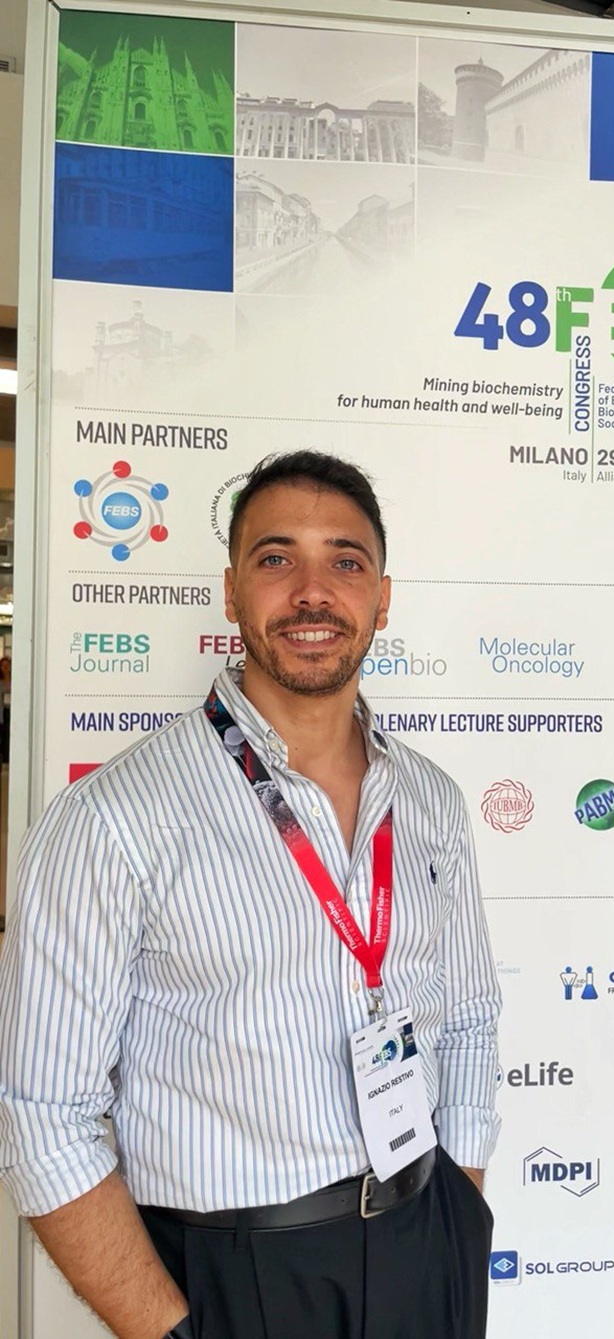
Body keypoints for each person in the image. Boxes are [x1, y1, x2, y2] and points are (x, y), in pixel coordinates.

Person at [0, 451, 501, 1339]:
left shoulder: (430, 800)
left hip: (428, 1247)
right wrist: (173, 1330)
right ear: (231, 592)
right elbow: (44, 1118)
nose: (313, 591)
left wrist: (458, 1215)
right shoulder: (111, 819)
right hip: (243, 1279)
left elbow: (465, 1019)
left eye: (345, 561)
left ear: (382, 598)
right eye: (277, 558)